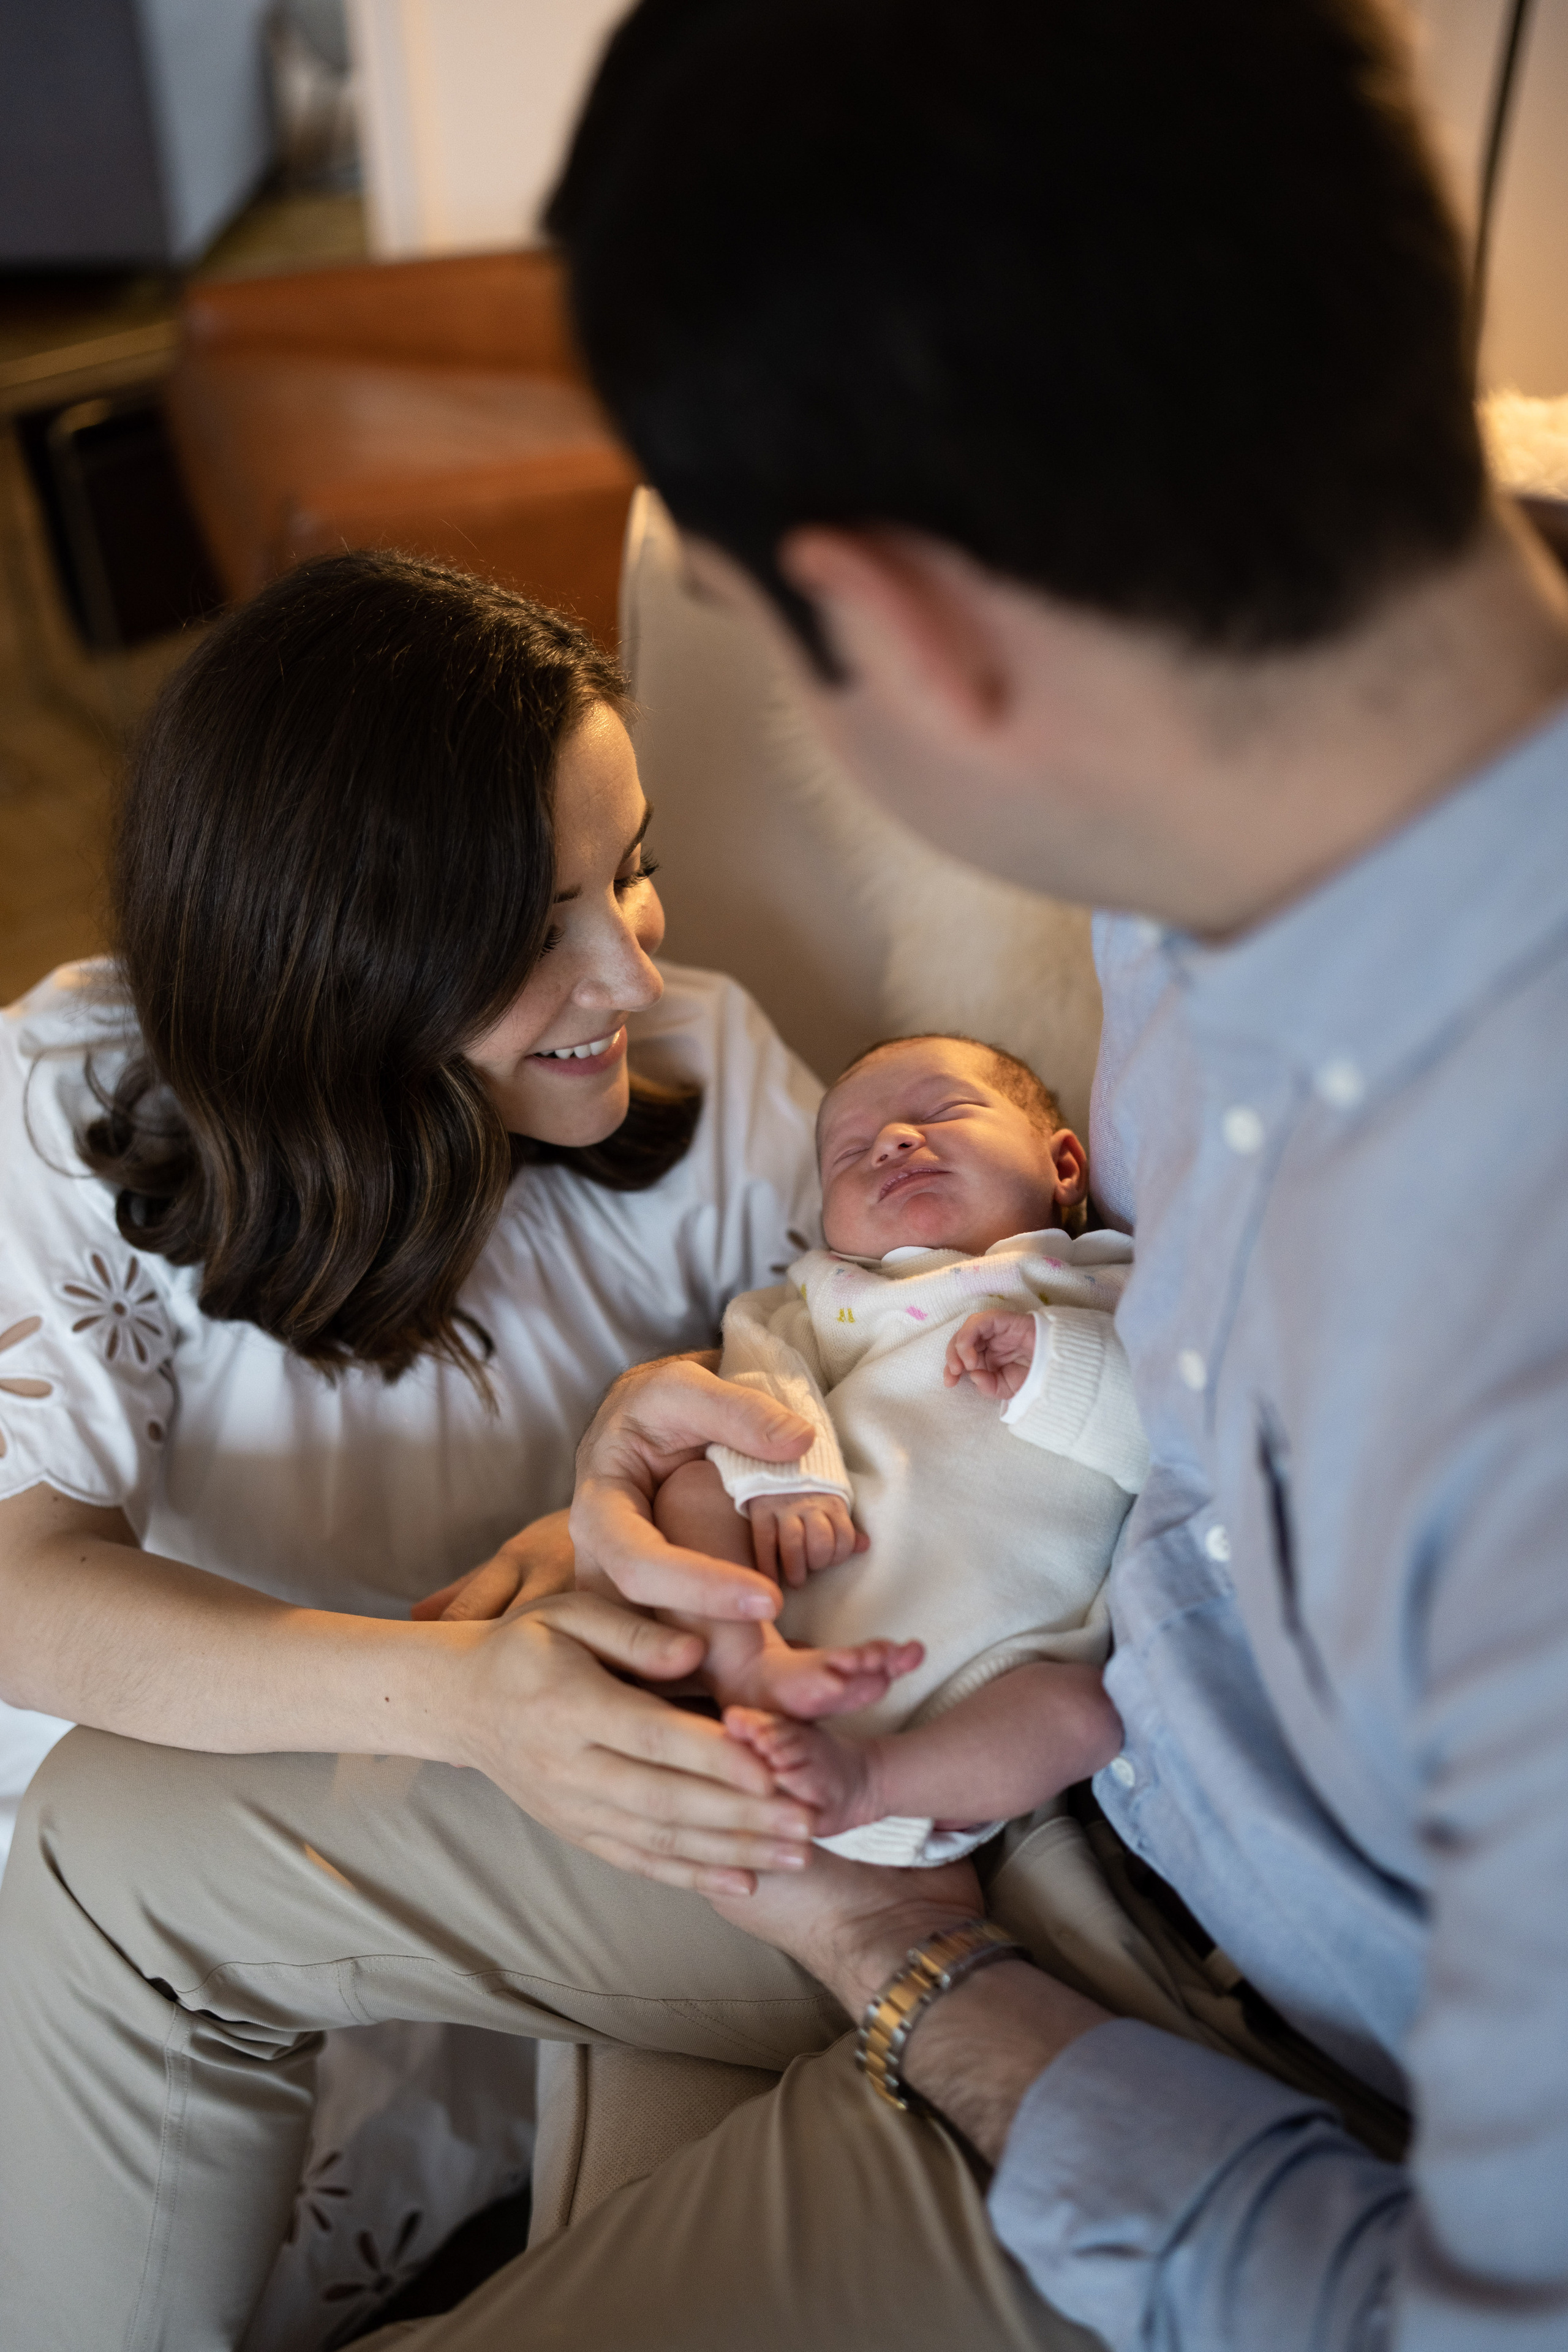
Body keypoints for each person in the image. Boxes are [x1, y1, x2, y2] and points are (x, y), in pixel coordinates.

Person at [2, 3, 1566, 2348]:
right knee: (108, 1847)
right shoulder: (1227, 842)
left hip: (1200, 2067)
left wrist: (926, 1988)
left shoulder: (1495, 1379)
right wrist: (682, 1461)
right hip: (1004, 1777)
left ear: (913, 627)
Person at [0, 548, 843, 2347]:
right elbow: (21, 1596)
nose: (630, 963)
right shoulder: (64, 1112)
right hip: (193, 1809)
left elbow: (869, 1377)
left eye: (628, 870)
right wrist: (463, 1691)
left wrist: (631, 1501)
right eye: (537, 923)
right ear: (335, 944)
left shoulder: (722, 1092)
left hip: (477, 1873)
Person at [642, 1031, 1142, 1861]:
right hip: (795, 1582)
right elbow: (758, 1369)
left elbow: (1173, 1437)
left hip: (979, 1685)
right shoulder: (834, 1299)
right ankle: (745, 1667)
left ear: (1064, 1167)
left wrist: (1057, 1361)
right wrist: (790, 1477)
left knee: (1083, 1716)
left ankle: (872, 1777)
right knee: (692, 1488)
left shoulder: (1110, 1290)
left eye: (941, 1111)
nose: (892, 1141)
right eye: (850, 1153)